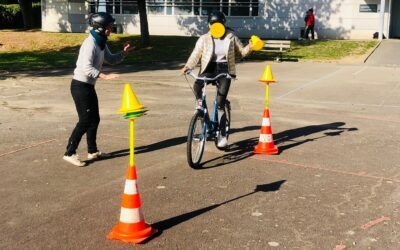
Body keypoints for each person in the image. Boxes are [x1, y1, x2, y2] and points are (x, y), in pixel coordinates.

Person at [63, 12, 131, 167]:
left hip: (88, 86)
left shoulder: (101, 42)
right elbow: (85, 67)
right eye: (108, 26)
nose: (111, 28)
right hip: (80, 86)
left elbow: (112, 59)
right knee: (85, 120)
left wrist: (124, 53)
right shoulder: (90, 43)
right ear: (99, 27)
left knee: (95, 119)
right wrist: (104, 76)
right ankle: (69, 152)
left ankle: (92, 151)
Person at [181, 10, 252, 148]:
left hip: (225, 69)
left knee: (220, 102)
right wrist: (188, 66)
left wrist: (251, 46)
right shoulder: (204, 38)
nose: (215, 26)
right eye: (212, 24)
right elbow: (196, 54)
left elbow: (242, 52)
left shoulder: (231, 36)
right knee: (197, 86)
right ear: (209, 25)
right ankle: (204, 118)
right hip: (209, 67)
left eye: (219, 24)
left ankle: (222, 135)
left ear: (223, 24)